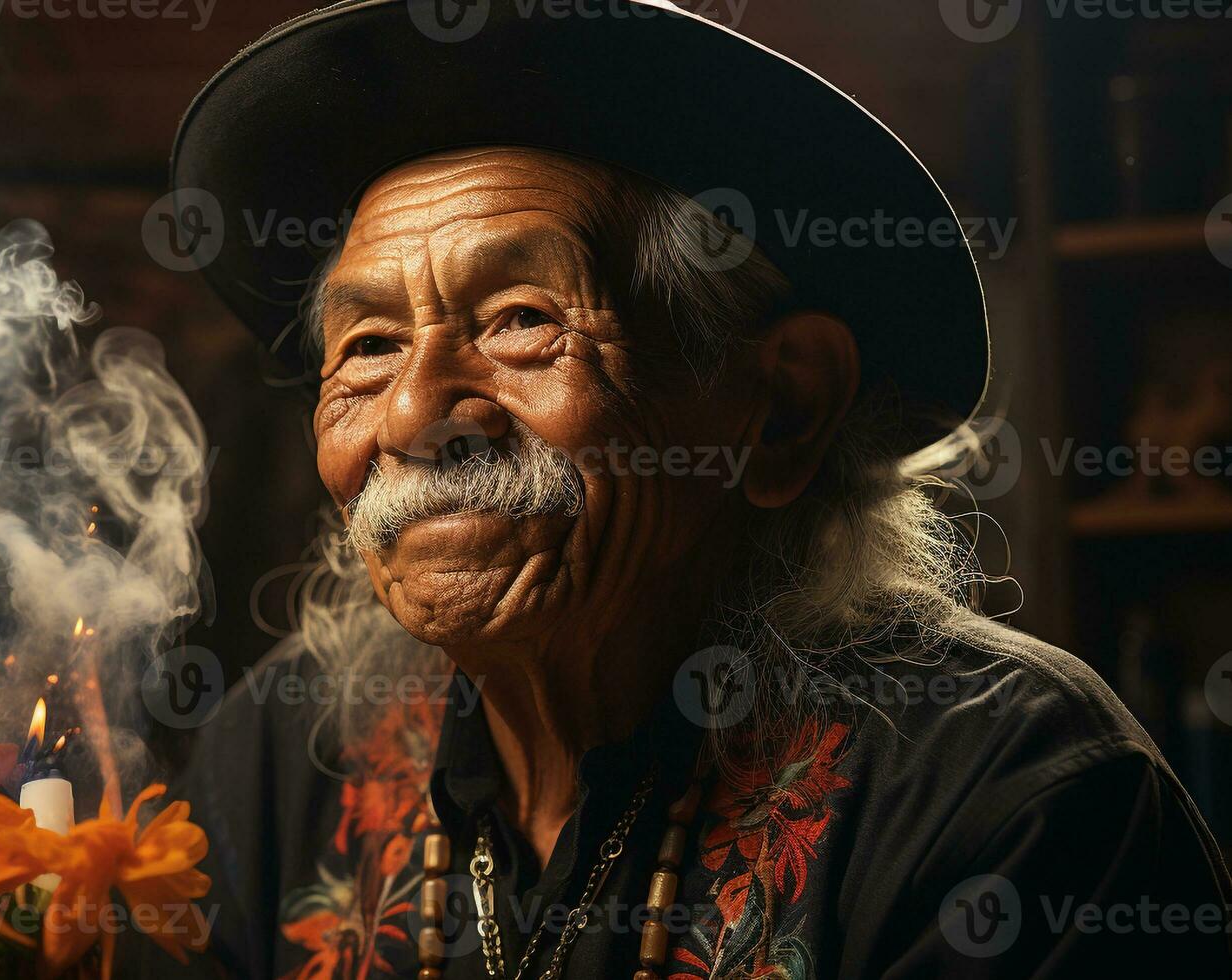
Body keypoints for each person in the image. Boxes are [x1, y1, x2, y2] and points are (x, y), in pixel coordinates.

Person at [152, 1, 1232, 976]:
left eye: (521, 319)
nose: (410, 415)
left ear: (779, 407)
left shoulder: (1010, 795)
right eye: (370, 344)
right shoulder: (277, 761)